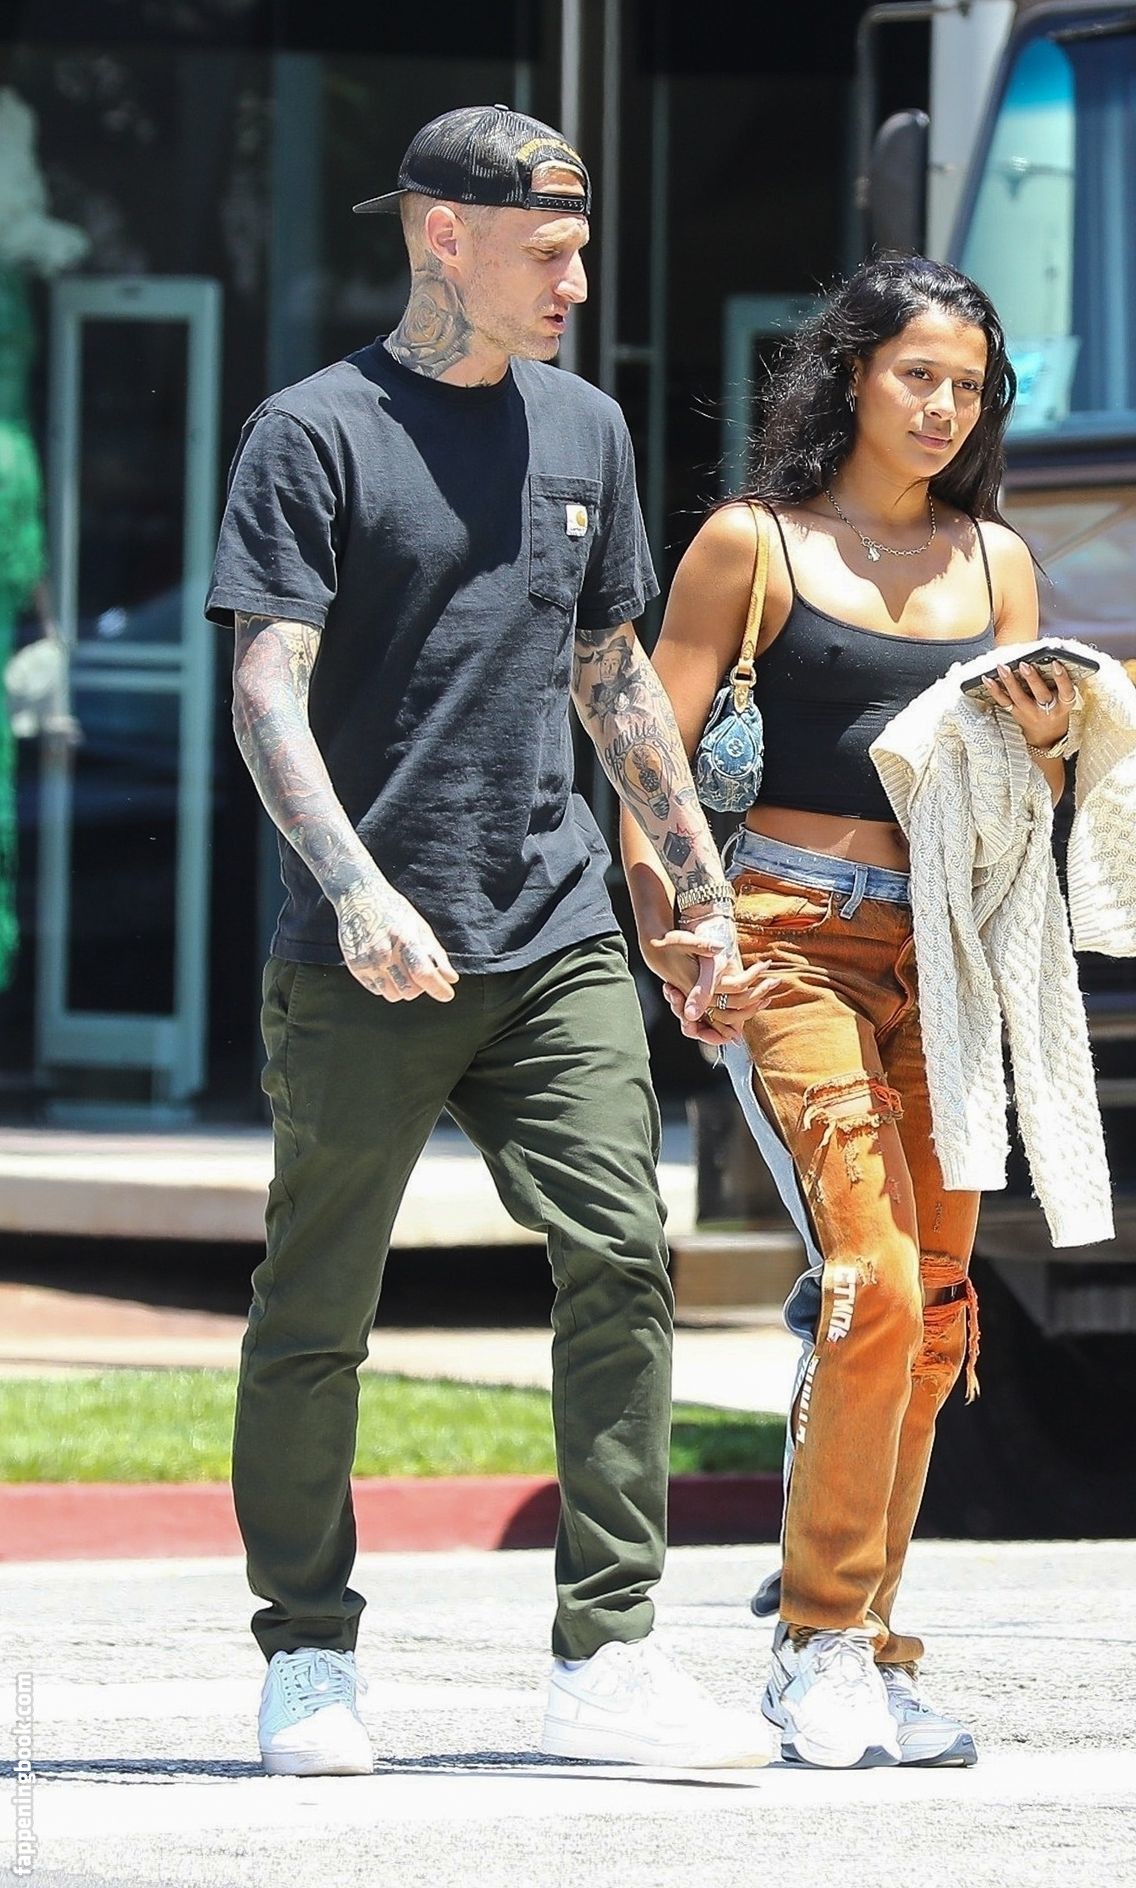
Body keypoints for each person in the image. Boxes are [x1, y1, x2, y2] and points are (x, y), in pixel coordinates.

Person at [204, 104, 773, 1778]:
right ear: (442, 237)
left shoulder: (585, 429)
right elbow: (265, 689)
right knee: (317, 1307)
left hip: (555, 930)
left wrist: (697, 901)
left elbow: (612, 680)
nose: (577, 285)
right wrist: (357, 886)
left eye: (581, 252)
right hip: (364, 955)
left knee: (624, 1256)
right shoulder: (312, 434)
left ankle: (609, 1653)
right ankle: (309, 1655)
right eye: (551, 253)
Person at [621, 255, 1082, 1771]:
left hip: (945, 951)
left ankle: (871, 1647)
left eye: (971, 388)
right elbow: (650, 761)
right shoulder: (750, 545)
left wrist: (1051, 742)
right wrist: (680, 933)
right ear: (853, 376)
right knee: (872, 1281)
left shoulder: (997, 566)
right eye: (917, 377)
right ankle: (816, 1643)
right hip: (785, 935)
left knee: (937, 1306)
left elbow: (1025, 796)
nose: (945, 408)